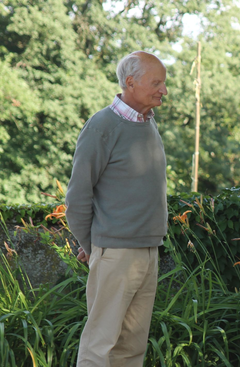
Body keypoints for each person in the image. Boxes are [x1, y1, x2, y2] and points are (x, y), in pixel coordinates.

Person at [65, 50, 169, 367]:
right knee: (100, 346)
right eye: (157, 83)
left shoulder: (148, 125)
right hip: (117, 253)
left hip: (148, 250)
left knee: (131, 349)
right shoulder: (102, 127)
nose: (164, 90)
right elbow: (77, 196)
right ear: (130, 82)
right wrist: (92, 245)